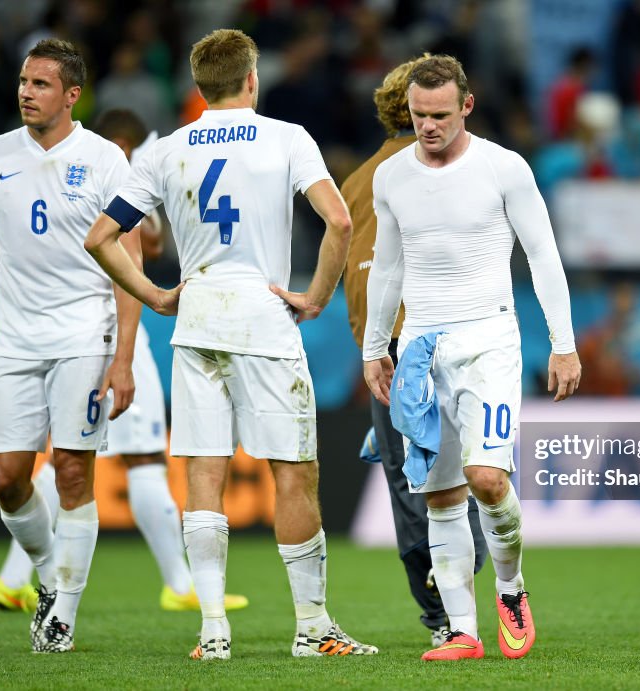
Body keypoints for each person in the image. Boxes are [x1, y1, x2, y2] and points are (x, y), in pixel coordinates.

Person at [84, 28, 378, 661]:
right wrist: (317, 295)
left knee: (203, 474)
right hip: (263, 317)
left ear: (198, 87)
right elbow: (341, 220)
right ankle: (313, 628)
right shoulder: (286, 137)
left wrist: (157, 294)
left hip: (197, 318)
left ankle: (213, 631)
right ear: (252, 80)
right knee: (294, 474)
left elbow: (102, 236)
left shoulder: (165, 152)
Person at [361, 55, 581, 661]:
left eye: (438, 115)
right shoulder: (391, 177)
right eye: (417, 115)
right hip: (420, 348)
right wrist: (375, 347)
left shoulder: (503, 168)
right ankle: (463, 629)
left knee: (487, 480)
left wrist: (563, 342)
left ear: (466, 107)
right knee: (439, 496)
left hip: (489, 340)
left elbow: (542, 254)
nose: (427, 126)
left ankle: (509, 588)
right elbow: (387, 266)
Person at [0, 109, 247, 616]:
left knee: (76, 461)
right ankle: (176, 582)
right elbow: (144, 247)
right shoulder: (108, 174)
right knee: (129, 458)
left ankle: (15, 577)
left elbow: (143, 244)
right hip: (103, 333)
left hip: (89, 332)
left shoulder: (93, 173)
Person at [0, 39, 142, 653]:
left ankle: (62, 613)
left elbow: (130, 259)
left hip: (83, 335)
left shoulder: (106, 159)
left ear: (71, 94)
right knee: (5, 475)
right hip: (12, 338)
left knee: (70, 469)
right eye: (23, 82)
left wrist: (123, 358)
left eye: (40, 84)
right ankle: (46, 575)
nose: (26, 92)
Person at [341, 56, 489, 649]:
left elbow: (357, 274)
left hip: (392, 348)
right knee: (459, 472)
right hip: (445, 337)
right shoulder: (450, 170)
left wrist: (371, 350)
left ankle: (441, 612)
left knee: (414, 490)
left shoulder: (354, 183)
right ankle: (466, 588)